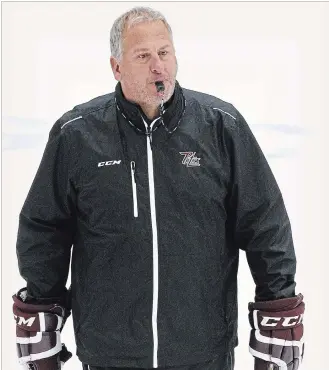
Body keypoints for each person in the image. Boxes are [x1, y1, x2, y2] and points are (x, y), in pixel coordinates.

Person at [12, 6, 305, 370]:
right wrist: (40, 308)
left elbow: (265, 224)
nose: (158, 66)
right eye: (143, 56)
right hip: (109, 353)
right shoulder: (77, 135)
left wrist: (278, 307)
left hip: (203, 352)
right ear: (116, 67)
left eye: (164, 52)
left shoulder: (220, 127)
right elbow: (45, 230)